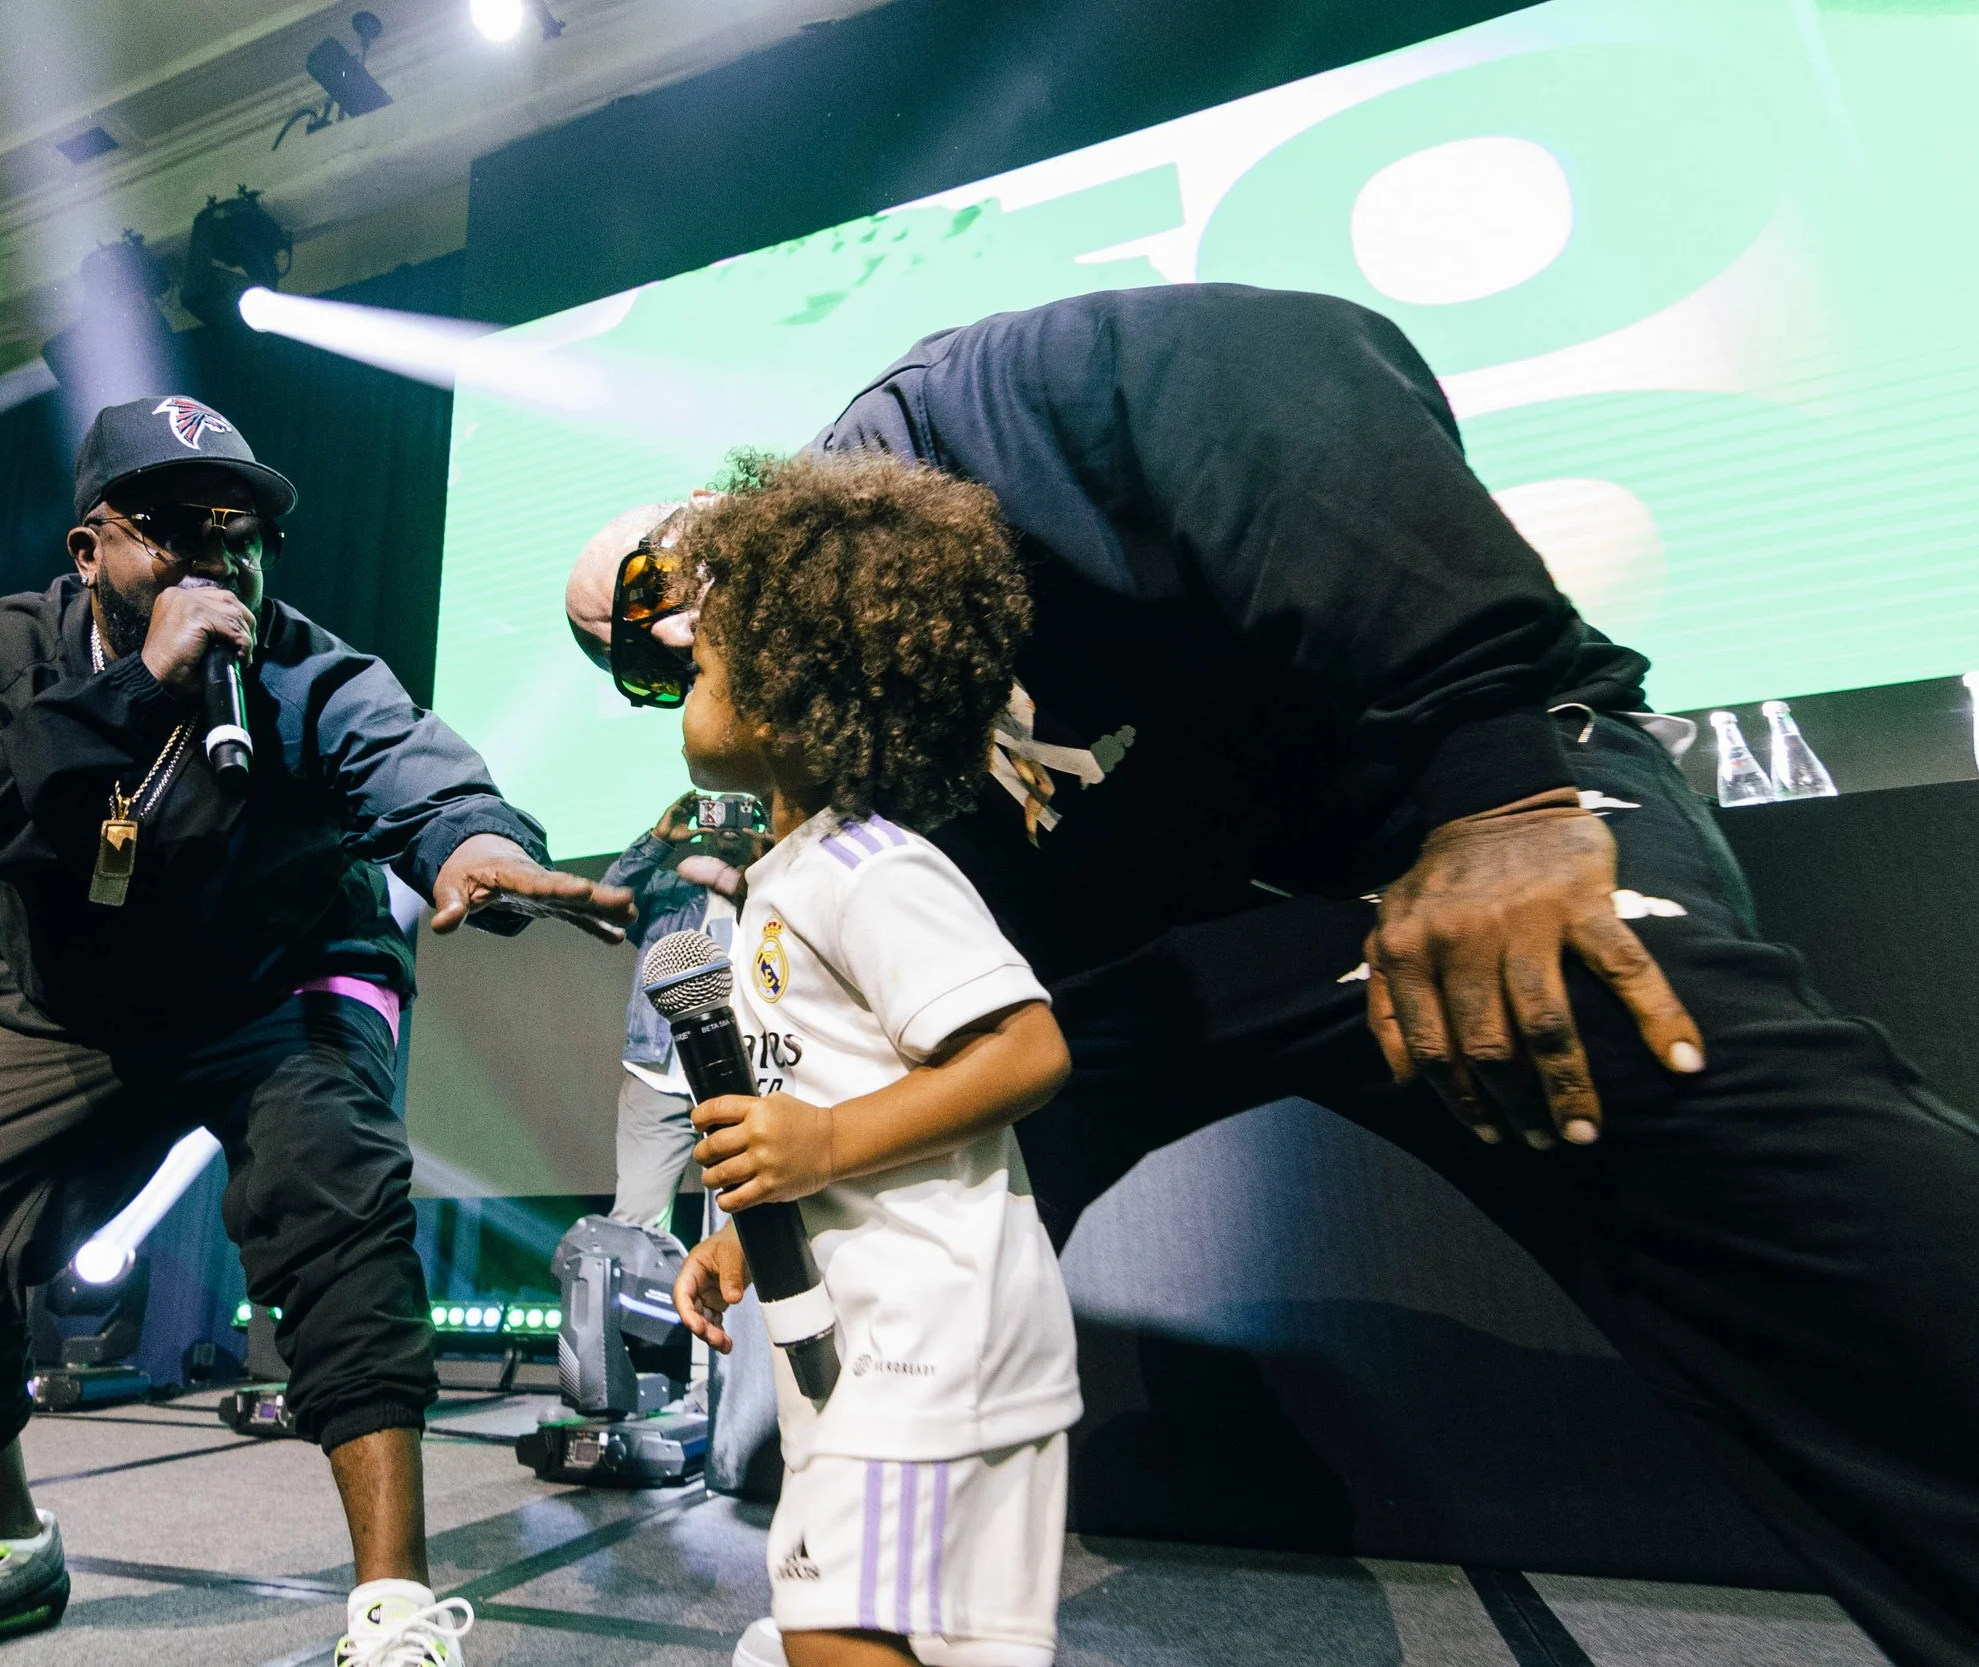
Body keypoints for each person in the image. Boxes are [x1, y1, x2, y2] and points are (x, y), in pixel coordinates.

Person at [570, 285, 1979, 1667]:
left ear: (728, 504)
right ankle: (886, 1581)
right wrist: (801, 1193)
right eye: (636, 663)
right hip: (1219, 941)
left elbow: (1290, 367)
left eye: (655, 587)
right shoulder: (891, 756)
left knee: (1597, 1022)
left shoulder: (948, 418)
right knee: (867, 1261)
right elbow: (964, 1012)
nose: (671, 638)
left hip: (1452, 793)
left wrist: (1494, 787)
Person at [0, 394, 632, 1667]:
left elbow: (405, 758)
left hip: (286, 980)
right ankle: (3, 1543)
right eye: (175, 527)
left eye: (239, 529)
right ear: (90, 549)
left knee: (332, 1195)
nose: (218, 555)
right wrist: (138, 689)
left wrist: (475, 839)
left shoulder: (299, 664)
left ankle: (396, 1608)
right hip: (75, 1015)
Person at [665, 454, 1078, 1667]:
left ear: (787, 698)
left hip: (925, 1340)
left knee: (832, 1625)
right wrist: (750, 1226)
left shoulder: (869, 869)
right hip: (873, 1338)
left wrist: (829, 1145)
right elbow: (822, 1095)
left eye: (705, 659)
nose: (687, 658)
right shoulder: (787, 879)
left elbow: (1027, 1046)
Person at [602, 785, 759, 1234]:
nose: (729, 821)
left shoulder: (770, 896)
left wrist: (763, 866)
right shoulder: (669, 890)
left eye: (742, 809)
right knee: (636, 1222)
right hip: (658, 1075)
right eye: (718, 809)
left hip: (739, 1075)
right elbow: (607, 897)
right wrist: (661, 838)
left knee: (744, 1226)